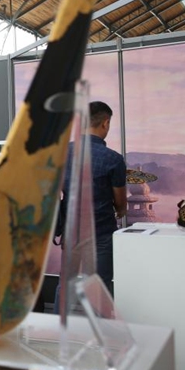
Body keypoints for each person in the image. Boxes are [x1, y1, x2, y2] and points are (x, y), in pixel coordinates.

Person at [59, 101, 127, 297]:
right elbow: (120, 202)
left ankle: (58, 326)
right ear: (105, 123)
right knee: (99, 287)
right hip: (101, 231)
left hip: (71, 229)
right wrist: (120, 210)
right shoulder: (113, 158)